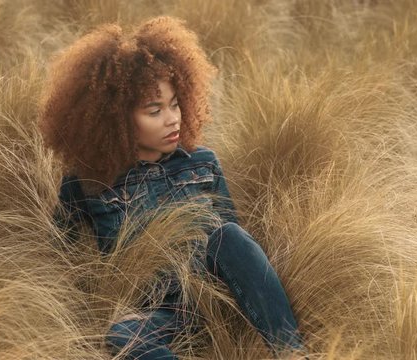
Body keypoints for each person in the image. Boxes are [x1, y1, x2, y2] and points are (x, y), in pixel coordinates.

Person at [38, 16, 306, 359]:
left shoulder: (202, 162)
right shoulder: (87, 184)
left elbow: (234, 247)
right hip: (162, 313)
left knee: (229, 235)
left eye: (176, 104)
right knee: (122, 335)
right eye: (155, 110)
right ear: (117, 118)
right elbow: (61, 257)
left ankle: (293, 354)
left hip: (217, 297)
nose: (172, 118)